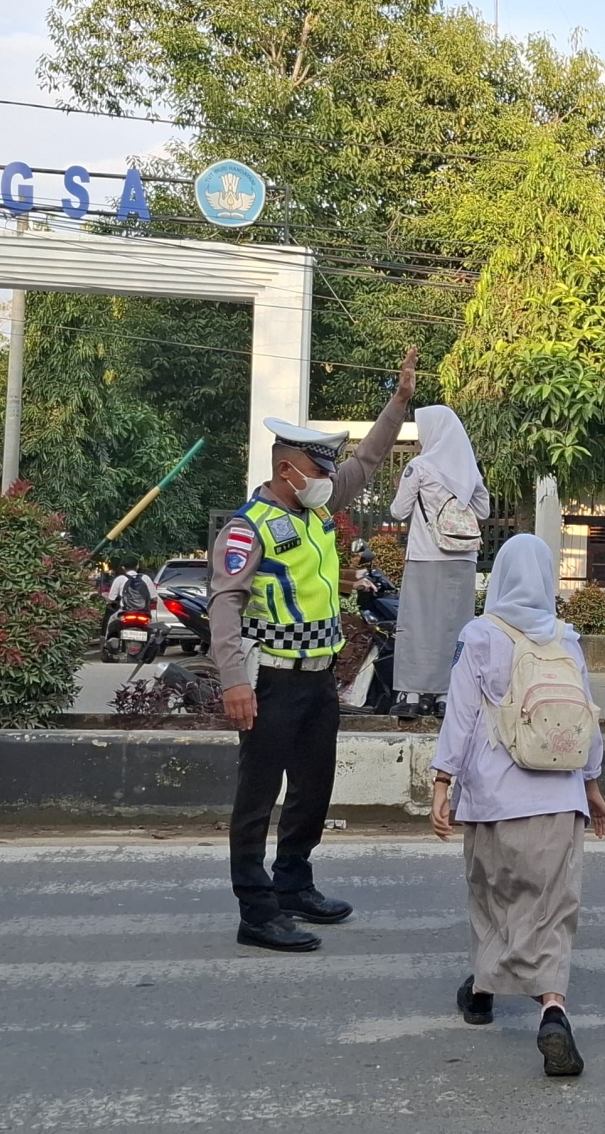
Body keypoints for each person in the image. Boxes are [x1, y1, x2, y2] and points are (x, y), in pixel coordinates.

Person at [208, 345, 417, 952]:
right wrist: (233, 682)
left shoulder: (312, 516)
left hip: (317, 679)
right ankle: (256, 909)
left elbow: (370, 461)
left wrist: (398, 405)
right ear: (288, 471)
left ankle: (294, 882)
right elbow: (225, 604)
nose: (331, 480)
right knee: (256, 796)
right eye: (319, 471)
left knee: (313, 787)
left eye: (329, 472)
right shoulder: (250, 527)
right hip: (269, 679)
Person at [430, 534, 605, 1078]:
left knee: (492, 894)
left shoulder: (481, 635)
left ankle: (483, 992)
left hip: (494, 797)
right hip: (559, 796)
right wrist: (593, 787)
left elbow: (459, 717)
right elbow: (587, 720)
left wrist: (442, 784)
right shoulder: (567, 639)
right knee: (552, 908)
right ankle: (553, 1010)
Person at [389, 405, 490, 719]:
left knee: (417, 625)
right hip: (463, 558)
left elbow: (398, 511)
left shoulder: (419, 467)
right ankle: (447, 695)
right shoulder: (468, 469)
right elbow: (483, 511)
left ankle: (413, 693)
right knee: (454, 627)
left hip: (424, 554)